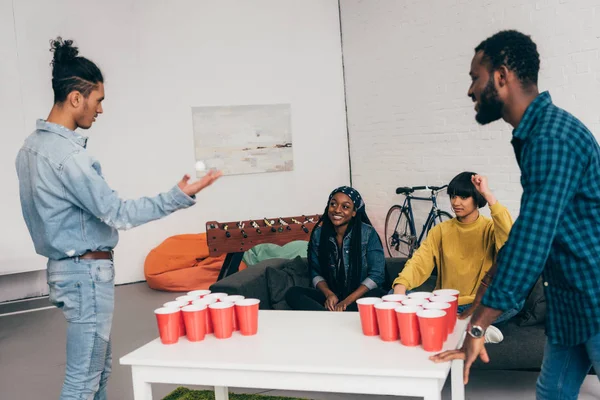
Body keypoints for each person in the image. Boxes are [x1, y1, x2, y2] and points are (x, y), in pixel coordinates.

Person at [15, 37, 222, 399]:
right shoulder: (69, 157)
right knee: (83, 381)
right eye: (98, 101)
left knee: (96, 372)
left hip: (64, 272)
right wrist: (179, 196)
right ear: (76, 98)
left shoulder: (30, 149)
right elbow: (118, 213)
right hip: (85, 275)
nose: (100, 110)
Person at [430, 30, 600, 400]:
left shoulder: (552, 138)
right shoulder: (537, 136)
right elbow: (528, 230)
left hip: (596, 299)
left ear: (502, 77)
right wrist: (480, 302)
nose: (471, 91)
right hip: (570, 304)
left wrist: (477, 327)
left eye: (476, 77)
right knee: (551, 395)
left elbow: (531, 240)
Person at [392, 172, 517, 342]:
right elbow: (420, 261)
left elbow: (511, 243)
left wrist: (488, 195)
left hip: (477, 303)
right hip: (446, 303)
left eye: (463, 197)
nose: (455, 202)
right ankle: (472, 326)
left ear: (477, 198)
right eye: (453, 196)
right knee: (393, 292)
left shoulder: (490, 229)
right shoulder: (441, 230)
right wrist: (401, 284)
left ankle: (455, 324)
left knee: (515, 300)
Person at [286, 186, 386, 311]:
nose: (337, 210)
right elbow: (315, 272)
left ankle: (332, 316)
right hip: (333, 296)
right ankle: (332, 316)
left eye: (345, 207)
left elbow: (377, 275)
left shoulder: (368, 233)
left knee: (379, 295)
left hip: (358, 296)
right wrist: (329, 294)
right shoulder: (319, 234)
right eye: (333, 204)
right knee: (293, 293)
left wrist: (347, 301)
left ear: (354, 212)